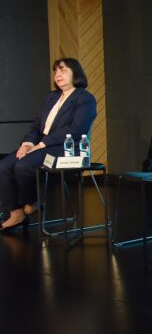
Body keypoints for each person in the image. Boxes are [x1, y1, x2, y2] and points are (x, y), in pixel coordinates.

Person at [0, 58, 97, 232]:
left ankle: (31, 203)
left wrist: (42, 144)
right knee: (4, 166)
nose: (58, 75)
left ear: (75, 73)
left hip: (66, 148)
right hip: (41, 145)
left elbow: (76, 129)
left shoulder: (85, 98)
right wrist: (27, 144)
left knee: (23, 166)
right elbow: (37, 126)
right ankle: (15, 211)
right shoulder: (51, 97)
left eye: (63, 70)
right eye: (55, 71)